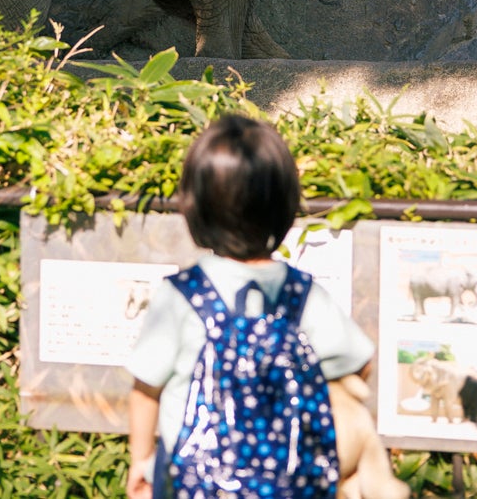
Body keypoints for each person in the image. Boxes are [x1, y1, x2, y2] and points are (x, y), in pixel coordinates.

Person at [125, 114, 374, 499]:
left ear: (195, 207)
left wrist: (141, 460)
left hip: (193, 483)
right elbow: (359, 362)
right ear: (286, 204)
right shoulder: (301, 293)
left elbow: (146, 389)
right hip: (288, 483)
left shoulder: (182, 294)